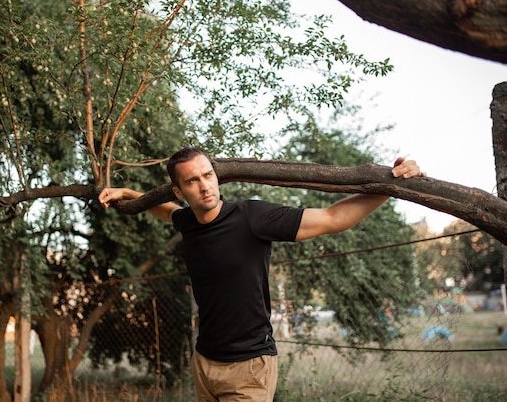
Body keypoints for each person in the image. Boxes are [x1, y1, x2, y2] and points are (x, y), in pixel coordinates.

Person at [98, 147, 425, 402]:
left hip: (249, 368)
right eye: (192, 181)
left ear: (217, 177)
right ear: (180, 190)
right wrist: (127, 194)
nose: (204, 186)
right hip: (204, 362)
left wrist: (388, 187)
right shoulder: (188, 222)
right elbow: (166, 211)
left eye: (208, 175)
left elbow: (331, 218)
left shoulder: (252, 217)